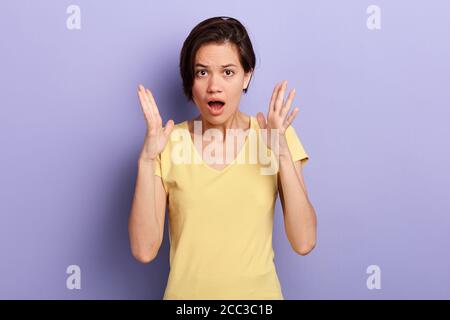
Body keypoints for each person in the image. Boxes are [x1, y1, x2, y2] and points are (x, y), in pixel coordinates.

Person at [128, 16, 317, 300]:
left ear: (247, 76)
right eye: (202, 73)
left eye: (228, 72)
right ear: (190, 79)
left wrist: (281, 154)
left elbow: (304, 242)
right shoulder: (168, 143)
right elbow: (144, 250)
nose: (214, 86)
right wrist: (146, 161)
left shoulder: (274, 137)